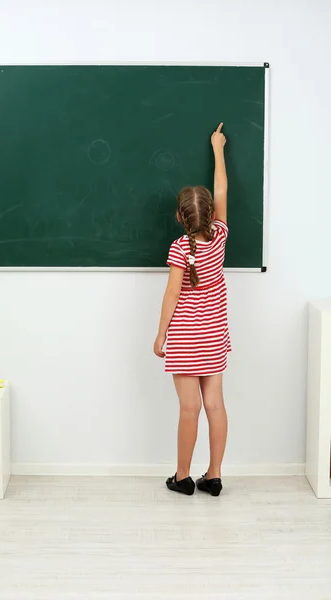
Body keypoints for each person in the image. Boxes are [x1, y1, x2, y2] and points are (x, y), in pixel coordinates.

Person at [154, 123, 230, 497]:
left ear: (180, 217)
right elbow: (221, 190)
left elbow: (171, 294)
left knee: (190, 409)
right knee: (214, 404)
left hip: (185, 338)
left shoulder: (180, 249)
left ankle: (182, 477)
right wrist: (218, 150)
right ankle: (214, 474)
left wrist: (161, 333)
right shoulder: (220, 236)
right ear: (212, 215)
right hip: (214, 335)